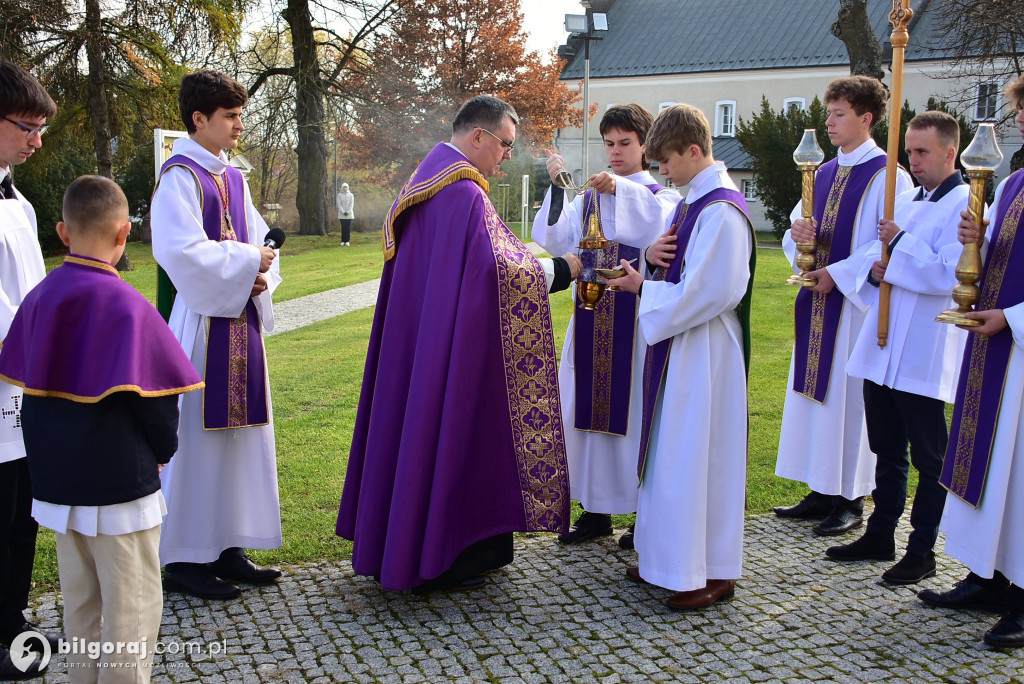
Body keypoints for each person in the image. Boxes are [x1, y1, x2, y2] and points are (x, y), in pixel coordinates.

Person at [336, 95, 581, 594]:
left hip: (421, 341)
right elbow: (498, 270)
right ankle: (445, 555)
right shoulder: (463, 191)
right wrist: (561, 270)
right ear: (479, 137)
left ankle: (405, 543)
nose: (508, 156)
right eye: (506, 145)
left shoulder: (425, 180)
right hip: (449, 348)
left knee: (418, 429)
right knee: (454, 428)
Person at [0, 176, 203, 682]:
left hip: (59, 489)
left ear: (63, 233)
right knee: (132, 614)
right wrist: (164, 450)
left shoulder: (39, 299)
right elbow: (158, 406)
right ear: (124, 234)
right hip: (120, 489)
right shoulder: (128, 306)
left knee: (81, 610)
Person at [611, 103, 755, 610]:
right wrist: (647, 273)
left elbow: (713, 291)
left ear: (695, 151)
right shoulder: (691, 203)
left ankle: (711, 571)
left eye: (668, 161)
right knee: (670, 454)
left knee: (699, 457)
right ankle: (664, 558)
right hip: (679, 343)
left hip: (705, 349)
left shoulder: (721, 210)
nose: (663, 173)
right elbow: (676, 273)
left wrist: (642, 293)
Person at [151, 70, 283, 600]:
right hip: (202, 327)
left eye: (239, 115)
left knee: (237, 441)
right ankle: (185, 557)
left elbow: (259, 241)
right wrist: (250, 262)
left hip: (239, 324)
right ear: (198, 119)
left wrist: (262, 271)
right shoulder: (179, 177)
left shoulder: (233, 176)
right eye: (229, 117)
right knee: (197, 444)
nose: (238, 126)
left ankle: (227, 545)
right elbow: (180, 252)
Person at [532, 104, 681, 549]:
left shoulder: (663, 195)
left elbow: (656, 229)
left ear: (645, 145)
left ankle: (641, 513)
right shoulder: (590, 196)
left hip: (635, 327)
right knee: (582, 412)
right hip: (590, 317)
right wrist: (558, 187)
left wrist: (620, 189)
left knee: (635, 412)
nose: (615, 153)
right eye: (609, 144)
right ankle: (594, 509)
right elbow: (554, 239)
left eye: (625, 144)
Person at [831, 111, 970, 583]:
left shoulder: (966, 205)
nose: (913, 160)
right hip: (884, 343)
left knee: (930, 457)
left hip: (923, 348)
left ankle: (923, 549)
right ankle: (880, 531)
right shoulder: (908, 199)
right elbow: (875, 256)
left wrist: (900, 245)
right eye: (909, 151)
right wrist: (873, 269)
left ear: (950, 151)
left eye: (922, 152)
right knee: (886, 446)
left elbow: (953, 275)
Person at [774, 75, 913, 535]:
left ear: (866, 118)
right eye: (828, 112)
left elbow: (889, 243)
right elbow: (799, 224)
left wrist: (838, 273)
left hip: (857, 308)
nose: (829, 122)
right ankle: (821, 488)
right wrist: (800, 239)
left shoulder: (887, 176)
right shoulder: (822, 170)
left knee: (850, 402)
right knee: (818, 396)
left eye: (839, 114)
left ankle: (852, 497)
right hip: (817, 301)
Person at [918, 75, 1024, 649]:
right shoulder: (1012, 185)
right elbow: (995, 263)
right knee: (990, 467)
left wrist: (1014, 318)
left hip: (1018, 344)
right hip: (993, 346)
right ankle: (989, 575)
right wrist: (976, 240)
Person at [0, 59, 58, 681]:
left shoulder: (16, 196)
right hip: (7, 366)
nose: (37, 140)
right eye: (26, 126)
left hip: (24, 380)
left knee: (21, 512)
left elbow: (32, 286)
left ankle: (11, 619)